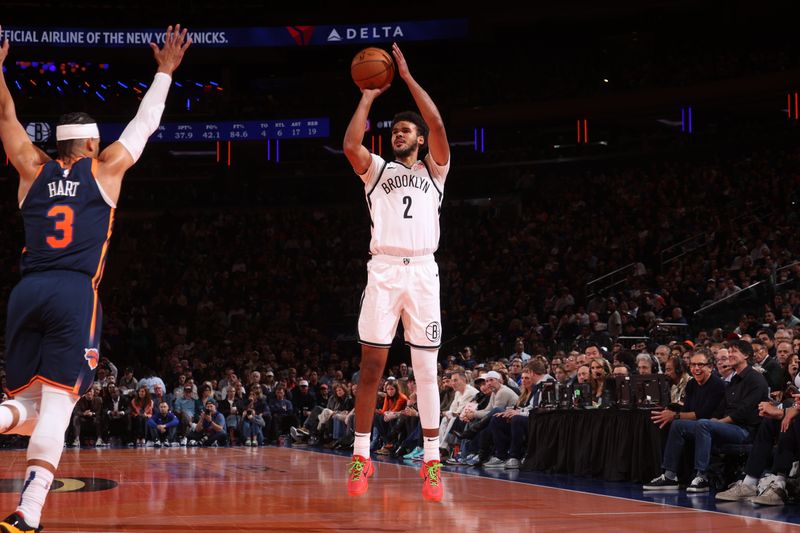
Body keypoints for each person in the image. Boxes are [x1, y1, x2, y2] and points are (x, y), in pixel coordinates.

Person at [0, 24, 190, 532]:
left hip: (26, 292)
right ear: (88, 142)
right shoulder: (104, 169)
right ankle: (30, 511)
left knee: (29, 407)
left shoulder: (30, 170)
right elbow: (144, 125)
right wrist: (165, 72)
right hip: (71, 291)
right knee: (59, 405)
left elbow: (6, 117)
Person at [343, 42, 450, 501]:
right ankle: (361, 456)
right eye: (396, 130)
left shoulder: (435, 171)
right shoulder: (378, 171)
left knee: (427, 370)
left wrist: (405, 78)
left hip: (424, 273)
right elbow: (350, 144)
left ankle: (431, 460)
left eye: (407, 129)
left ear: (421, 138)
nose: (399, 133)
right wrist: (368, 95)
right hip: (384, 271)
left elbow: (440, 123)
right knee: (371, 367)